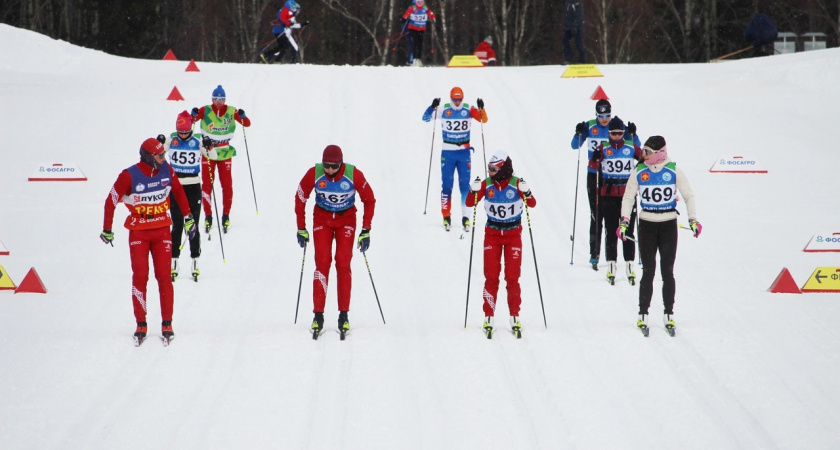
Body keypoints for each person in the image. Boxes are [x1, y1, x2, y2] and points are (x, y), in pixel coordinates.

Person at [100, 137, 198, 345]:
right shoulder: (129, 175)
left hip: (162, 230)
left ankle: (167, 323)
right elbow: (111, 200)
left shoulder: (167, 170)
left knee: (164, 276)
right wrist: (107, 229)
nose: (164, 158)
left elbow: (179, 193)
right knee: (140, 276)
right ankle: (141, 324)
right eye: (160, 155)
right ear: (148, 156)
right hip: (139, 233)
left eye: (164, 154)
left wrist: (189, 218)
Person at [618, 136, 701, 336]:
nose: (643, 155)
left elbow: (688, 195)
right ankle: (643, 313)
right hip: (646, 224)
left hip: (668, 225)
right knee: (648, 270)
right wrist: (624, 221)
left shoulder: (673, 170)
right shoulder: (639, 171)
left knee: (667, 270)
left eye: (648, 151)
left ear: (659, 153)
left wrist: (693, 219)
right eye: (643, 151)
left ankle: (668, 312)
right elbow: (628, 197)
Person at [294, 145, 376, 336]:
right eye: (327, 166)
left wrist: (366, 229)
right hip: (322, 219)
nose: (330, 170)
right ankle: (318, 316)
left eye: (334, 166)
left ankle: (344, 315)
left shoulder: (353, 174)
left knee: (343, 262)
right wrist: (301, 227)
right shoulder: (314, 173)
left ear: (341, 163)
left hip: (345, 219)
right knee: (322, 262)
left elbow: (369, 200)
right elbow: (300, 198)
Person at [466, 151, 536, 338]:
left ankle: (514, 315)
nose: (490, 172)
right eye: (489, 168)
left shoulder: (515, 183)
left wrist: (527, 191)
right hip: (492, 235)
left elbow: (533, 204)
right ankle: (489, 315)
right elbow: (469, 202)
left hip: (513, 235)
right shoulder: (486, 184)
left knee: (512, 277)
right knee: (491, 276)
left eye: (494, 169)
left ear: (503, 168)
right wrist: (473, 190)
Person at [571, 99, 640, 270]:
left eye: (607, 115)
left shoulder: (618, 127)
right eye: (601, 116)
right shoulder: (591, 126)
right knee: (596, 214)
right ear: (596, 115)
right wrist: (578, 132)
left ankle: (622, 256)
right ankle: (594, 254)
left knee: (615, 216)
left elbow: (635, 149)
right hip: (595, 175)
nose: (604, 119)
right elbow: (575, 145)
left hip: (614, 177)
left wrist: (633, 133)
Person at [422, 87, 488, 232]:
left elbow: (484, 119)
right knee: (447, 185)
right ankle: (446, 216)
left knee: (465, 186)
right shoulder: (444, 109)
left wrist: (481, 108)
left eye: (459, 99)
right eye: (454, 99)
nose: (457, 102)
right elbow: (425, 118)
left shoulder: (468, 108)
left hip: (464, 153)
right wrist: (432, 107)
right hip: (448, 152)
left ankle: (466, 216)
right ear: (450, 98)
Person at [191, 85, 251, 234]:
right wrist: (193, 114)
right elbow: (191, 120)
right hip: (208, 150)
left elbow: (247, 124)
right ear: (212, 99)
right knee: (207, 184)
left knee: (227, 184)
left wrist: (242, 116)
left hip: (224, 151)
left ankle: (225, 215)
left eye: (221, 99)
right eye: (216, 99)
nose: (219, 102)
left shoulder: (231, 111)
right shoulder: (205, 110)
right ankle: (208, 216)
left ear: (225, 99)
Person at [590, 117, 642, 285]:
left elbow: (645, 158)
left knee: (628, 231)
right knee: (611, 230)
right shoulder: (603, 147)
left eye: (620, 133)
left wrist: (635, 135)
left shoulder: (629, 146)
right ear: (609, 134)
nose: (617, 136)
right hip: (608, 195)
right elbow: (592, 167)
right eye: (613, 133)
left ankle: (629, 265)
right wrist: (595, 157)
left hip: (627, 196)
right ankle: (611, 264)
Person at [168, 110, 211, 282]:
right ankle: (174, 261)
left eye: (186, 132)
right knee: (176, 225)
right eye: (181, 132)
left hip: (193, 186)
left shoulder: (197, 141)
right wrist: (159, 143)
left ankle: (195, 261)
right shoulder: (172, 140)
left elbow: (211, 155)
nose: (183, 135)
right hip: (176, 187)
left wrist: (209, 145)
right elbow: (157, 154)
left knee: (192, 225)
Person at [400, 0, 436, 66]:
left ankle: (419, 59)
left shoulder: (425, 8)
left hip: (421, 28)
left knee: (420, 44)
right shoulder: (413, 8)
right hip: (413, 28)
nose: (420, 4)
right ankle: (414, 59)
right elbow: (406, 14)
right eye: (418, 2)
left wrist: (433, 18)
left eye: (421, 2)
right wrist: (404, 18)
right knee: (415, 43)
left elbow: (431, 13)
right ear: (416, 2)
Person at [562, 0, 586, 64]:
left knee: (578, 42)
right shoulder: (567, 2)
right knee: (565, 41)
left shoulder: (577, 2)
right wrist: (565, 25)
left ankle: (582, 59)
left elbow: (579, 14)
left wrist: (575, 25)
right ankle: (568, 59)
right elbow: (567, 15)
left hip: (576, 27)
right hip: (568, 26)